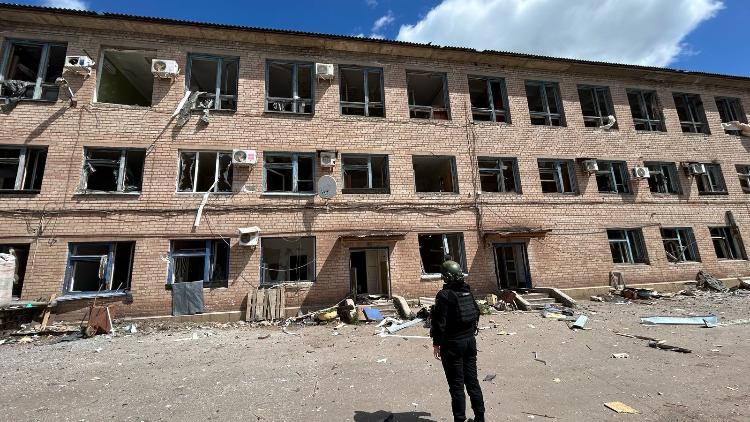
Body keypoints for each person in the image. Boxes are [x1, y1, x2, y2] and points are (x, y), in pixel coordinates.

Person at [430, 260, 485, 422]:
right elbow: (476, 312)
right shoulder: (467, 291)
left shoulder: (445, 295)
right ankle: (480, 418)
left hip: (452, 345)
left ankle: (460, 419)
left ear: (446, 277)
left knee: (456, 386)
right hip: (470, 342)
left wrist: (436, 344)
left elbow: (439, 323)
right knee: (472, 383)